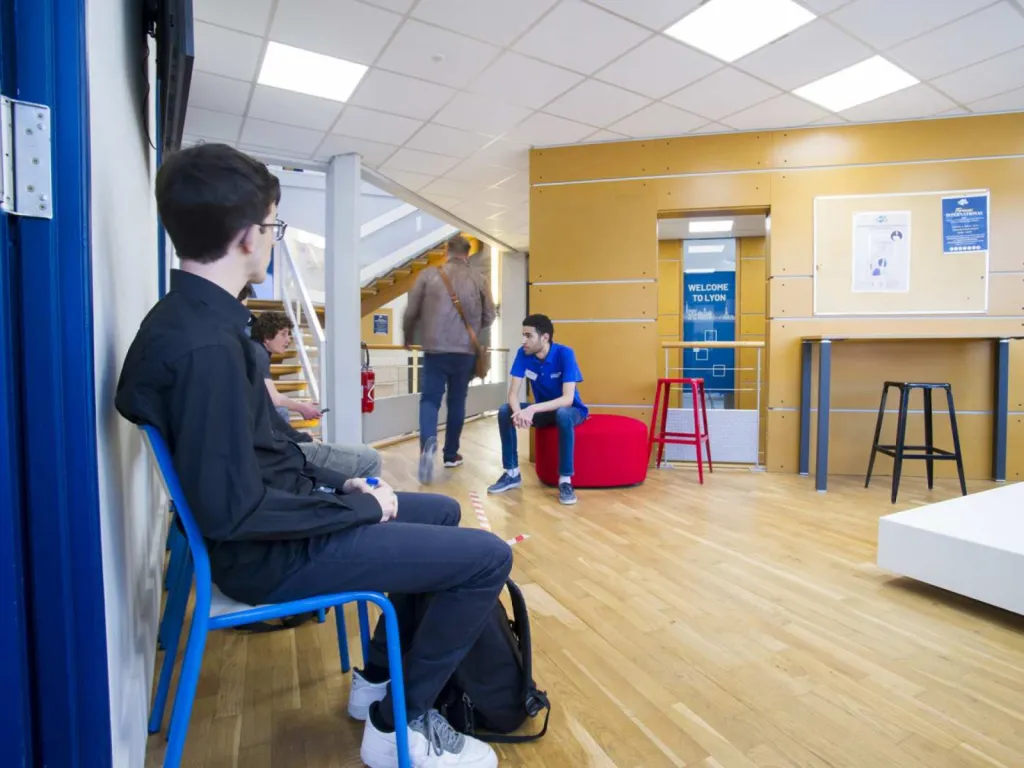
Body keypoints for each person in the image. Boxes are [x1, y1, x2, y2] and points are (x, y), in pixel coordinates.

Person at [115, 143, 509, 768]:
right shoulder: (207, 349)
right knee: (489, 558)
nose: (272, 240)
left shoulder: (192, 322)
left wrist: (341, 488)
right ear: (248, 236)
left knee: (441, 513)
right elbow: (236, 512)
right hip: (269, 556)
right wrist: (357, 510)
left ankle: (377, 679)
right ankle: (397, 727)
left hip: (281, 524)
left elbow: (260, 457)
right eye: (273, 227)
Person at [403, 235, 495, 485]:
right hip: (465, 352)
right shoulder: (480, 279)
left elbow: (411, 311)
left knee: (430, 400)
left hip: (434, 350)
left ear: (446, 251)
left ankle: (427, 446)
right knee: (457, 401)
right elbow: (490, 315)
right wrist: (473, 329)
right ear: (468, 253)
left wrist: (408, 336)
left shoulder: (428, 276)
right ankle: (451, 454)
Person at [250, 310, 382, 478]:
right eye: (283, 334)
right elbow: (274, 399)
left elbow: (271, 407)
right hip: (273, 451)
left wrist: (298, 432)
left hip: (269, 446)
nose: (288, 340)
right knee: (371, 459)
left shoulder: (254, 352)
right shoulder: (258, 354)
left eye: (288, 335)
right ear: (267, 336)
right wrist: (302, 412)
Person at [487, 314, 588, 506]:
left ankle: (565, 481)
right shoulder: (523, 354)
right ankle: (512, 473)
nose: (523, 341)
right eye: (523, 335)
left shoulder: (565, 354)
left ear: (545, 337)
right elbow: (512, 395)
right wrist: (519, 413)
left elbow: (567, 399)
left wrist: (531, 409)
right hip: (544, 411)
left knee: (563, 414)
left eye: (528, 336)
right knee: (504, 411)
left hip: (571, 410)